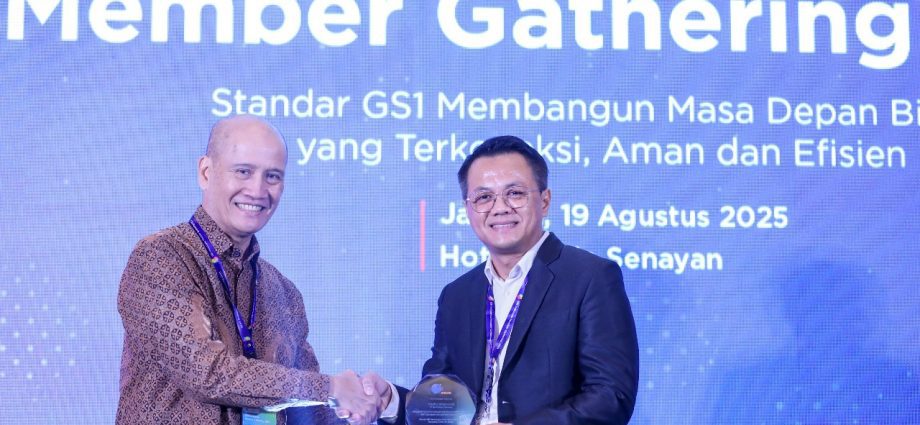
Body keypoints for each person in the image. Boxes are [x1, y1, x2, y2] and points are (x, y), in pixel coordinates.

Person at [116, 116, 400, 425]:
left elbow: (310, 415)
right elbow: (206, 373)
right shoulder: (162, 256)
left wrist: (377, 401)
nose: (258, 190)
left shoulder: (283, 291)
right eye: (243, 171)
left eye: (272, 176)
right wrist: (331, 388)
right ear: (206, 172)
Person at [420, 136, 639, 424]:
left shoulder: (590, 277)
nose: (500, 207)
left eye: (515, 193)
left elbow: (611, 396)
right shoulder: (456, 295)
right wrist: (390, 402)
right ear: (468, 209)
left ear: (545, 201)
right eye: (484, 197)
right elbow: (439, 401)